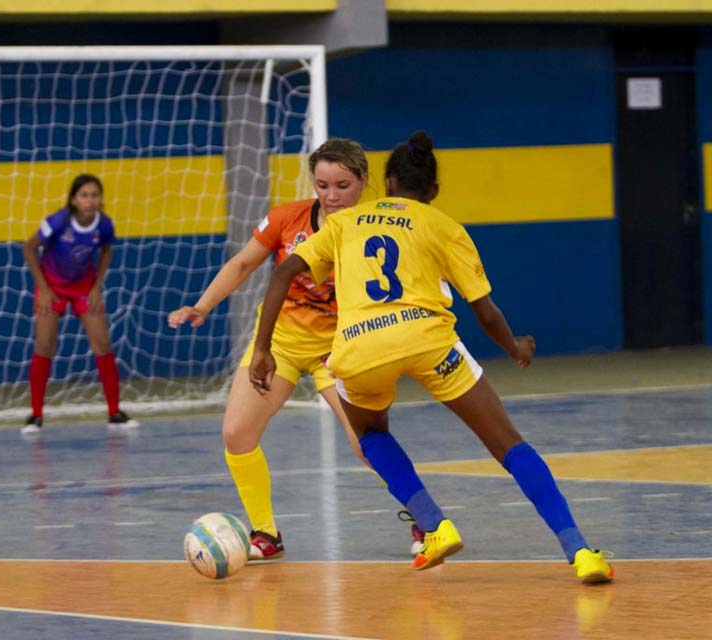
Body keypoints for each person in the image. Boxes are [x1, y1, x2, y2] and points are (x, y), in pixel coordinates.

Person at [248, 130, 615, 584]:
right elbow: (485, 309)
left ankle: (435, 525)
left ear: (384, 181)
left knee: (369, 433)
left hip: (360, 348)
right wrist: (514, 347)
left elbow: (284, 271)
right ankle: (580, 550)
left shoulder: (343, 224)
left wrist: (262, 348)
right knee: (509, 444)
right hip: (428, 341)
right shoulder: (444, 226)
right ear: (434, 191)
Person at [169, 138, 424, 561]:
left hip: (342, 349)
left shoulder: (378, 229)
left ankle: (425, 519)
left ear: (364, 181)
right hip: (281, 344)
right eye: (322, 185)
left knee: (367, 444)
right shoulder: (287, 219)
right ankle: (266, 534)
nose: (331, 195)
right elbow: (243, 264)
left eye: (342, 185)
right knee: (237, 433)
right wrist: (201, 306)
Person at [21, 173, 139, 436]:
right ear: (74, 199)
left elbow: (107, 250)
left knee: (102, 343)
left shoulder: (104, 225)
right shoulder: (57, 222)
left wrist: (97, 286)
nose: (90, 200)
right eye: (84, 195)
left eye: (95, 195)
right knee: (44, 345)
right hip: (52, 286)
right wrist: (44, 289)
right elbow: (29, 248)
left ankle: (114, 412)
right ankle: (36, 415)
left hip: (84, 287)